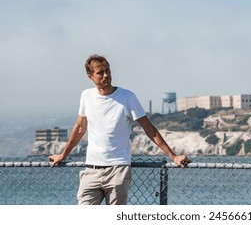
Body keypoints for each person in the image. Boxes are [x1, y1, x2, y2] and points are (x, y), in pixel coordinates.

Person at [49, 54, 191, 205]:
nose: (106, 75)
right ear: (90, 76)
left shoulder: (127, 97)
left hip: (118, 169)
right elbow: (79, 129)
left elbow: (149, 129)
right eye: (100, 72)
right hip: (91, 169)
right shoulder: (86, 96)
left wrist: (173, 156)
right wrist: (63, 155)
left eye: (107, 70)